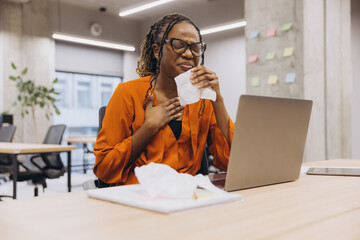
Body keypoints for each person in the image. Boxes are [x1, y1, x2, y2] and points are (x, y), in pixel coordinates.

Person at [93, 13, 234, 185]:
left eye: (195, 47)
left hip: (187, 197)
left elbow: (231, 163)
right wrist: (148, 128)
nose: (189, 54)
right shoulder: (127, 93)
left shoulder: (203, 101)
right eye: (179, 45)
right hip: (138, 197)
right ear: (157, 51)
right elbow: (103, 169)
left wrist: (218, 101)